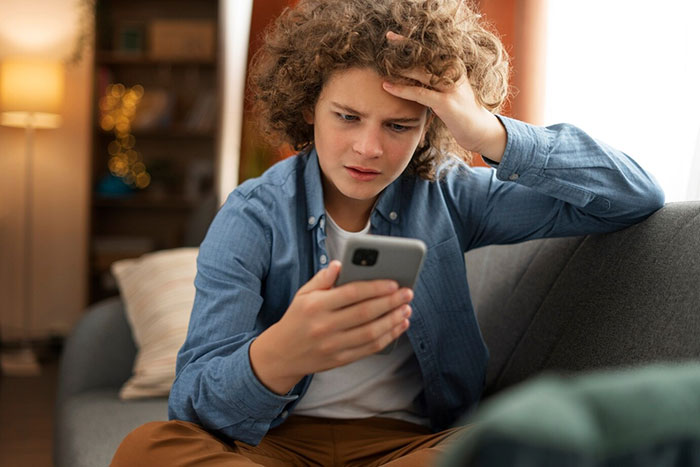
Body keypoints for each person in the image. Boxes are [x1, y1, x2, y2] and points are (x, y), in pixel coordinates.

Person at [112, 0, 665, 465]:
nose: (369, 149)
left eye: (399, 126)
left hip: (409, 448)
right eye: (347, 117)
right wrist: (279, 354)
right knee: (148, 449)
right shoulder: (252, 214)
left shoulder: (447, 193)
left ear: (430, 127)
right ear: (309, 108)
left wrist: (488, 132)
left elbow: (632, 195)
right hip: (271, 447)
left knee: (521, 447)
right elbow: (192, 405)